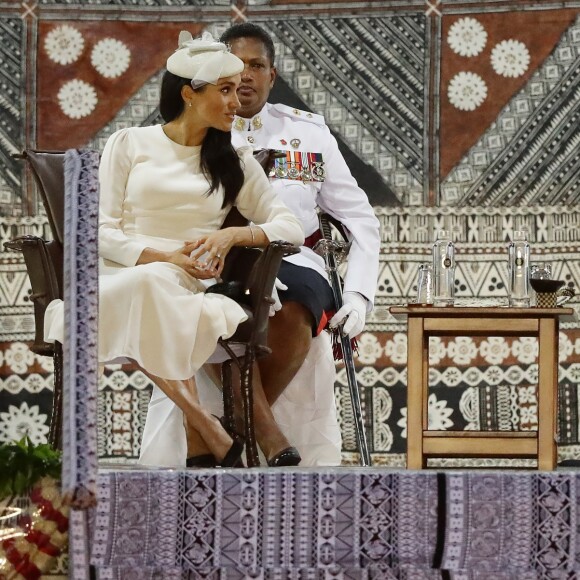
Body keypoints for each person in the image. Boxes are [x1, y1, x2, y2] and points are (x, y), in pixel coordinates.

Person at [49, 31, 305, 467]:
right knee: (146, 284)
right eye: (224, 90)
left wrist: (231, 236)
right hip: (120, 270)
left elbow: (291, 227)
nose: (235, 100)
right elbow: (98, 231)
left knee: (154, 290)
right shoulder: (130, 142)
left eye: (236, 89)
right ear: (190, 93)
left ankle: (204, 431)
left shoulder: (235, 161)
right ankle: (204, 423)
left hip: (186, 281)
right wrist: (162, 256)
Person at [139, 23, 381, 467]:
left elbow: (359, 218)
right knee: (201, 305)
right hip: (207, 258)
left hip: (289, 259)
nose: (246, 76)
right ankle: (259, 434)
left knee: (295, 304)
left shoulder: (308, 133)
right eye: (234, 68)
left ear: (272, 75)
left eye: (256, 66)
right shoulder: (187, 132)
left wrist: (361, 295)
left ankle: (220, 433)